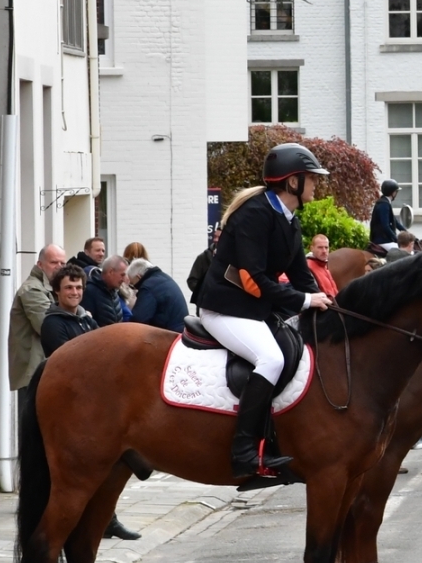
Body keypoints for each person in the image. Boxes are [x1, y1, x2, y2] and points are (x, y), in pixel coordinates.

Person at [196, 143, 333, 481]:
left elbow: (303, 277)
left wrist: (331, 304)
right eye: (312, 178)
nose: (316, 184)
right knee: (271, 359)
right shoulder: (254, 214)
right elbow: (254, 279)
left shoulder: (290, 220)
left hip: (252, 309)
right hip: (224, 308)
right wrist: (305, 301)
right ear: (292, 182)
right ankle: (244, 451)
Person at [40, 266, 138, 540]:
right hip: (71, 406)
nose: (75, 293)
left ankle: (108, 520)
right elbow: (66, 361)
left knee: (107, 467)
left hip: (93, 404)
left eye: (79, 288)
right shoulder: (53, 323)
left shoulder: (86, 320)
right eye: (68, 288)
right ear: (57, 292)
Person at [8, 244, 65, 394]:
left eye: (62, 263)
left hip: (44, 371)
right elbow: (49, 328)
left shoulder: (53, 288)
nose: (59, 267)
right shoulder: (32, 289)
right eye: (54, 262)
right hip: (33, 373)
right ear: (40, 264)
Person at [127, 256, 190, 332]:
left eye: (132, 284)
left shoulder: (148, 286)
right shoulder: (163, 277)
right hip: (180, 329)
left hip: (169, 333)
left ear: (138, 277)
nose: (134, 288)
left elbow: (138, 320)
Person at [83, 255, 130, 327]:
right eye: (122, 275)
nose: (124, 279)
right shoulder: (90, 291)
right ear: (111, 272)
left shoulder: (114, 291)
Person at [370, 179, 402, 253]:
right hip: (383, 240)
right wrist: (396, 238)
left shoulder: (384, 202)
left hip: (384, 239)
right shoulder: (384, 205)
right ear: (393, 193)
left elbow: (395, 222)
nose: (396, 194)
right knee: (405, 251)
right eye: (396, 192)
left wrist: (407, 233)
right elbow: (385, 226)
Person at [305, 234, 339, 299]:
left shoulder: (324, 266)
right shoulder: (307, 267)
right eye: (320, 247)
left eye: (326, 247)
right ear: (312, 248)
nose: (324, 251)